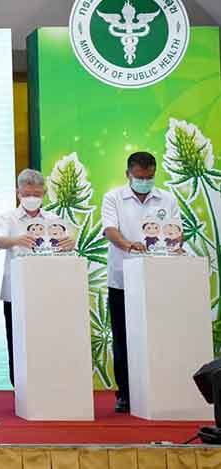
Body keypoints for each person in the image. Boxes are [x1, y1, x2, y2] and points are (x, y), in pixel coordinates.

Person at [102, 151, 180, 413]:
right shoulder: (113, 197)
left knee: (158, 335)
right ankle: (125, 394)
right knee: (123, 338)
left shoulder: (167, 199)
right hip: (122, 279)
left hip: (158, 280)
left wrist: (175, 244)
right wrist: (128, 245)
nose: (144, 181)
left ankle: (160, 389)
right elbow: (110, 230)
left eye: (149, 177)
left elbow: (176, 231)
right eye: (139, 177)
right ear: (128, 174)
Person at [0, 169, 75, 386]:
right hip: (16, 290)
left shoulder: (54, 219)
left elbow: (67, 243)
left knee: (46, 338)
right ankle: (19, 386)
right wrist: (17, 240)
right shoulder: (8, 218)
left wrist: (70, 243)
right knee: (17, 340)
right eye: (27, 194)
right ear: (18, 193)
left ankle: (47, 382)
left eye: (37, 194)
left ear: (44, 193)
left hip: (47, 289)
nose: (32, 198)